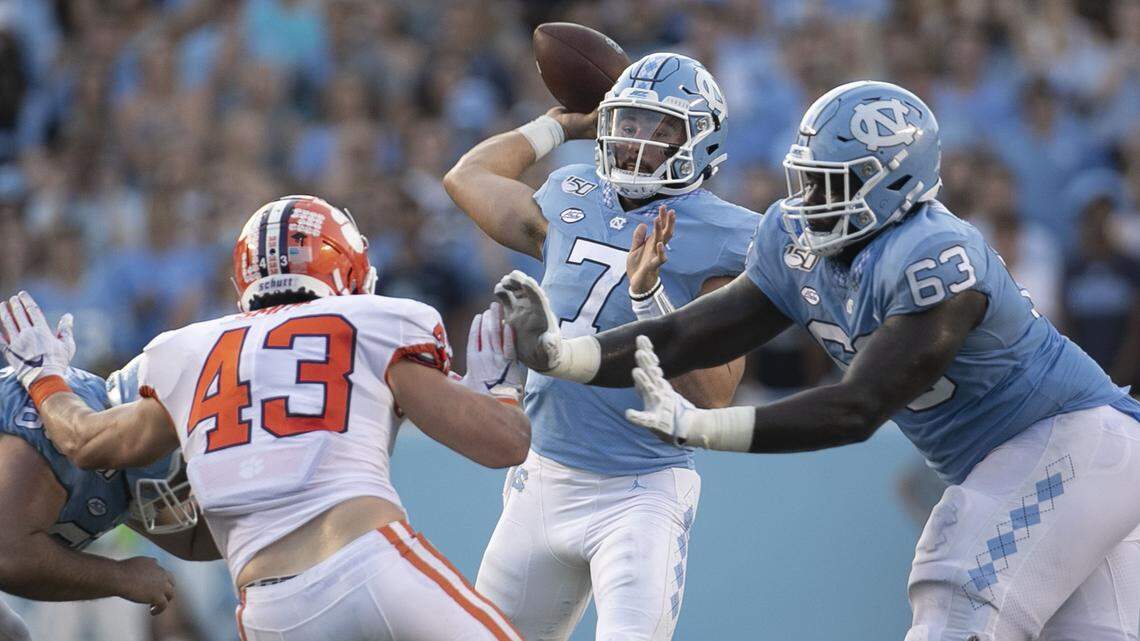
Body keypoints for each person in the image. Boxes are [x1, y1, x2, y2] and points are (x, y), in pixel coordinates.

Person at [493, 81, 1140, 641]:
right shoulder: (793, 237)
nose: (810, 202)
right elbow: (690, 335)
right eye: (805, 179)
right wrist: (559, 353)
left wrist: (701, 427)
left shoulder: (939, 257)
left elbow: (856, 407)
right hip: (1035, 460)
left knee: (957, 585)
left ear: (898, 187)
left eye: (833, 186)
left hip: (1073, 444)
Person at [0, 195, 530, 641]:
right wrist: (499, 391)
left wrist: (43, 376)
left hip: (268, 611)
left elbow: (86, 442)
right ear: (347, 267)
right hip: (366, 562)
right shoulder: (372, 322)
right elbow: (504, 446)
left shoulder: (188, 351)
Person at [444, 53, 759, 641]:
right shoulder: (572, 188)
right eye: (629, 122)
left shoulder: (732, 234)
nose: (637, 142)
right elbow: (468, 177)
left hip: (639, 489)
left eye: (659, 129)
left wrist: (649, 299)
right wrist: (559, 125)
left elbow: (713, 395)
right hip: (542, 475)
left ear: (702, 142)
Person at [0, 359, 216, 641]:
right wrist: (120, 577)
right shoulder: (46, 438)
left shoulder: (120, 463)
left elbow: (195, 541)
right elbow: (10, 556)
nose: (188, 491)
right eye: (184, 472)